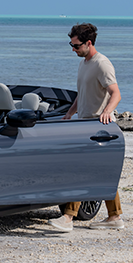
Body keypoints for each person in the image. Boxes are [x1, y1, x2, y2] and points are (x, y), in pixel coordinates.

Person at [50, 23, 124, 232]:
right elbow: (82, 94)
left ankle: (68, 217)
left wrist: (107, 112)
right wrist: (69, 113)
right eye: (71, 45)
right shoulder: (84, 63)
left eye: (76, 46)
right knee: (102, 172)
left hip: (98, 127)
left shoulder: (102, 64)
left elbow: (116, 93)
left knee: (79, 169)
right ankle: (115, 216)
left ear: (88, 43)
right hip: (84, 124)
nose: (73, 49)